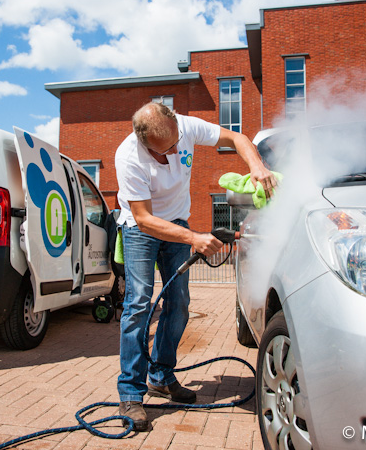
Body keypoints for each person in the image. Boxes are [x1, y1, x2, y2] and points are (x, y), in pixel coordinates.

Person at [114, 102, 276, 431]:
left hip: (177, 223)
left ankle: (161, 376)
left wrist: (257, 165)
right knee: (138, 304)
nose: (175, 152)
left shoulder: (185, 127)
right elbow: (144, 219)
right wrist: (193, 237)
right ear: (143, 142)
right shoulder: (129, 157)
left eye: (177, 144)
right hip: (140, 230)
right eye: (166, 150)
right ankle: (131, 392)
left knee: (180, 304)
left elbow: (237, 138)